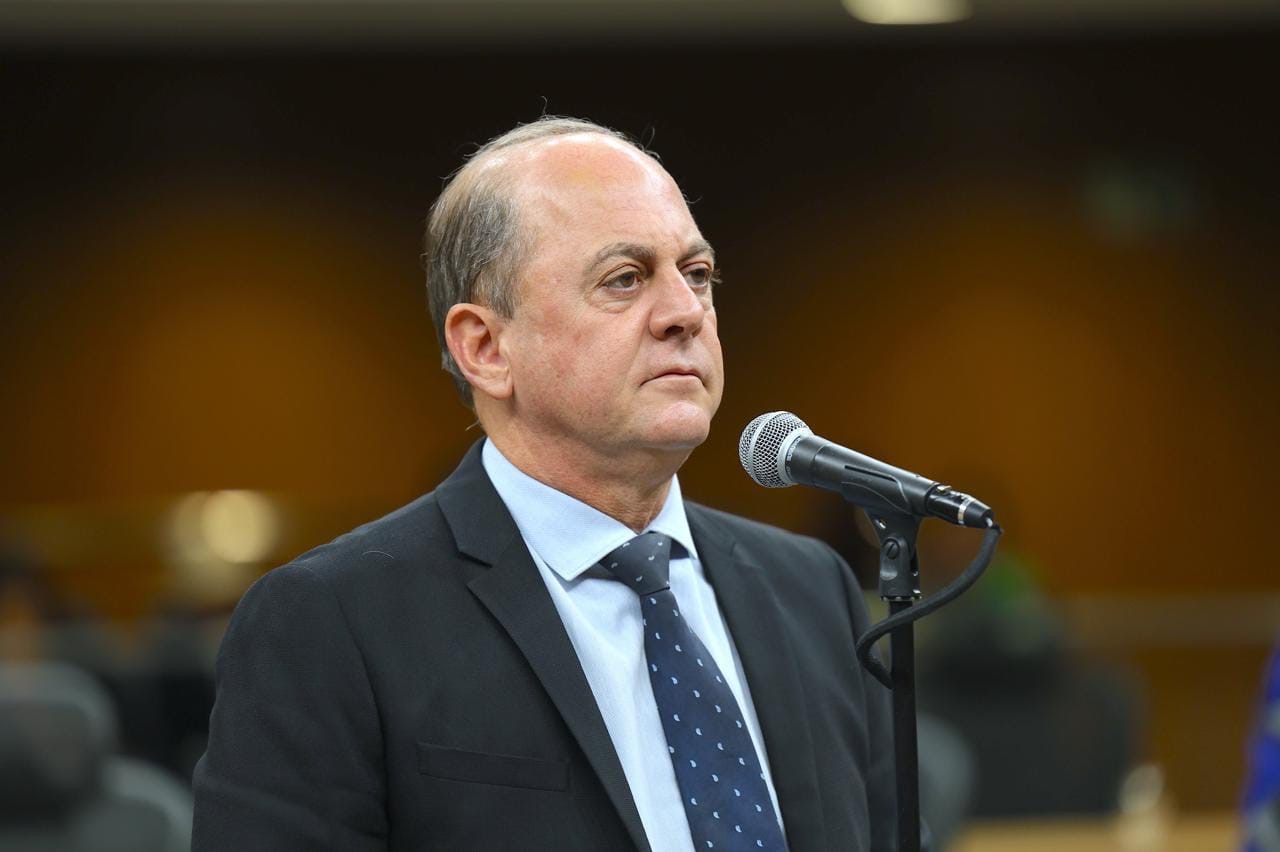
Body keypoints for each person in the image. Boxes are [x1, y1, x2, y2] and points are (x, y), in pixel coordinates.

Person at [192, 116, 903, 851]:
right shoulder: (331, 623)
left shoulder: (810, 589)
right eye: (624, 279)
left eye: (697, 274)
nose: (685, 313)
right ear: (486, 348)